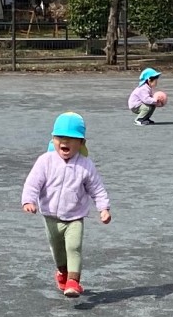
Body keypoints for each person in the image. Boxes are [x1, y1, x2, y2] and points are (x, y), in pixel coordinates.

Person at [21, 113, 111, 301]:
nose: (65, 142)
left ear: (81, 143)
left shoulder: (85, 165)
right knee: (57, 250)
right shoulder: (46, 161)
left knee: (74, 246)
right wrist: (29, 201)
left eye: (71, 138)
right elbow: (33, 183)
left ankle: (73, 281)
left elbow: (97, 188)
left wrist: (104, 208)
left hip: (74, 217)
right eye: (60, 137)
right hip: (50, 216)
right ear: (53, 139)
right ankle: (62, 272)